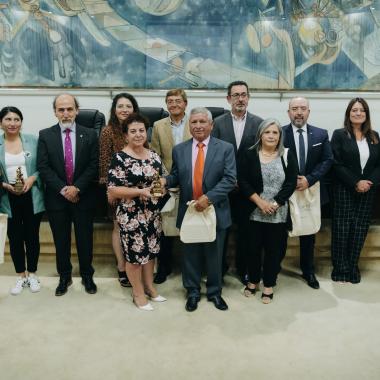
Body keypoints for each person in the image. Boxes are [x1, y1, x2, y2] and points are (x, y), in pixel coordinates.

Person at [163, 107, 236, 312]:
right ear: (189, 125)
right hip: (190, 211)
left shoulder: (225, 148)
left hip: (215, 210)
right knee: (190, 255)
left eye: (202, 122)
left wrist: (209, 198)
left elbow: (230, 179)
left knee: (215, 256)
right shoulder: (180, 149)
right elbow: (176, 176)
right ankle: (193, 292)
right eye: (194, 122)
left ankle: (214, 292)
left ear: (211, 125)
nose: (198, 126)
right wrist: (164, 180)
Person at [37, 94, 99, 296]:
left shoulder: (90, 134)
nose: (65, 113)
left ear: (77, 110)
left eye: (69, 109)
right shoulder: (45, 135)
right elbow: (43, 167)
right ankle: (64, 276)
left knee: (85, 239)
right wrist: (64, 189)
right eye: (61, 109)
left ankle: (87, 275)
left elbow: (93, 165)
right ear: (55, 112)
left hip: (83, 196)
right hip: (57, 198)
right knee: (61, 240)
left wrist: (76, 188)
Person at [107, 113, 168, 311]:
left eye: (141, 130)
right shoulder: (119, 158)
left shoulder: (154, 156)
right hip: (131, 215)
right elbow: (113, 189)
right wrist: (139, 191)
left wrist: (160, 189)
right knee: (135, 257)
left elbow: (162, 180)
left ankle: (150, 287)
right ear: (125, 135)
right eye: (133, 131)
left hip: (152, 213)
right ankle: (138, 293)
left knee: (150, 253)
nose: (138, 134)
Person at [238, 119, 297, 303]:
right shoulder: (250, 154)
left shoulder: (287, 155)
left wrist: (275, 204)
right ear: (260, 135)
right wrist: (260, 202)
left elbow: (291, 183)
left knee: (274, 251)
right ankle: (254, 281)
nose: (271, 136)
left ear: (280, 136)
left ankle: (269, 284)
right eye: (267, 132)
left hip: (277, 213)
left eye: (275, 133)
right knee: (252, 249)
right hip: (253, 211)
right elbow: (243, 181)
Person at [212, 80, 263, 284]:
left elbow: (261, 157)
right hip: (223, 188)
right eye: (236, 95)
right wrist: (227, 180)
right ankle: (220, 269)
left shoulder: (259, 123)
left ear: (248, 98)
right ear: (228, 99)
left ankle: (244, 270)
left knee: (246, 233)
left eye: (243, 94)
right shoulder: (217, 122)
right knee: (221, 230)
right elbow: (213, 155)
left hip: (248, 190)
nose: (240, 99)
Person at [281, 97, 333, 289]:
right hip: (286, 191)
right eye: (294, 108)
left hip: (311, 191)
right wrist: (291, 180)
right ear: (289, 113)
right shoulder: (279, 133)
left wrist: (309, 179)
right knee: (280, 232)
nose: (299, 112)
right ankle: (274, 268)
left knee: (308, 234)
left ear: (309, 112)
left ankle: (308, 271)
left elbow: (327, 160)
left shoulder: (320, 134)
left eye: (303, 108)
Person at [330, 98, 380, 284]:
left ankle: (352, 266)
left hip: (368, 189)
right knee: (342, 229)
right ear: (348, 114)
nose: (358, 113)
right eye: (354, 110)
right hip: (344, 188)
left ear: (366, 114)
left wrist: (368, 182)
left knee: (360, 229)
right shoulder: (340, 135)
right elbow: (336, 163)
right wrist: (355, 182)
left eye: (361, 110)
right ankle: (340, 268)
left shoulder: (374, 136)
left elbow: (378, 165)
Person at [0, 106, 45, 295]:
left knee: (32, 236)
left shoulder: (33, 141)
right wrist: (3, 184)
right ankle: (21, 275)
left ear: (21, 122)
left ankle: (33, 273)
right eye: (8, 119)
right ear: (1, 123)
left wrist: (33, 178)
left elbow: (44, 166)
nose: (13, 123)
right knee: (15, 238)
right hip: (7, 198)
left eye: (16, 119)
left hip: (32, 195)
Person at [150, 88, 192, 284]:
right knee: (164, 229)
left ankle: (190, 268)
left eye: (178, 101)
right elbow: (155, 155)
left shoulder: (195, 122)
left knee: (189, 226)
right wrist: (164, 180)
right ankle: (164, 267)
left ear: (185, 103)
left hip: (191, 182)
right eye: (170, 101)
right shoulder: (158, 125)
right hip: (166, 182)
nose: (174, 104)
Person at [99, 92, 140, 288]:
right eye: (120, 106)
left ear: (134, 109)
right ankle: (121, 267)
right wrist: (110, 191)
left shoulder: (139, 130)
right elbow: (104, 164)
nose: (124, 110)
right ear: (114, 110)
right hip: (117, 191)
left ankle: (137, 264)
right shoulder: (108, 132)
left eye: (128, 106)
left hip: (140, 191)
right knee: (118, 228)